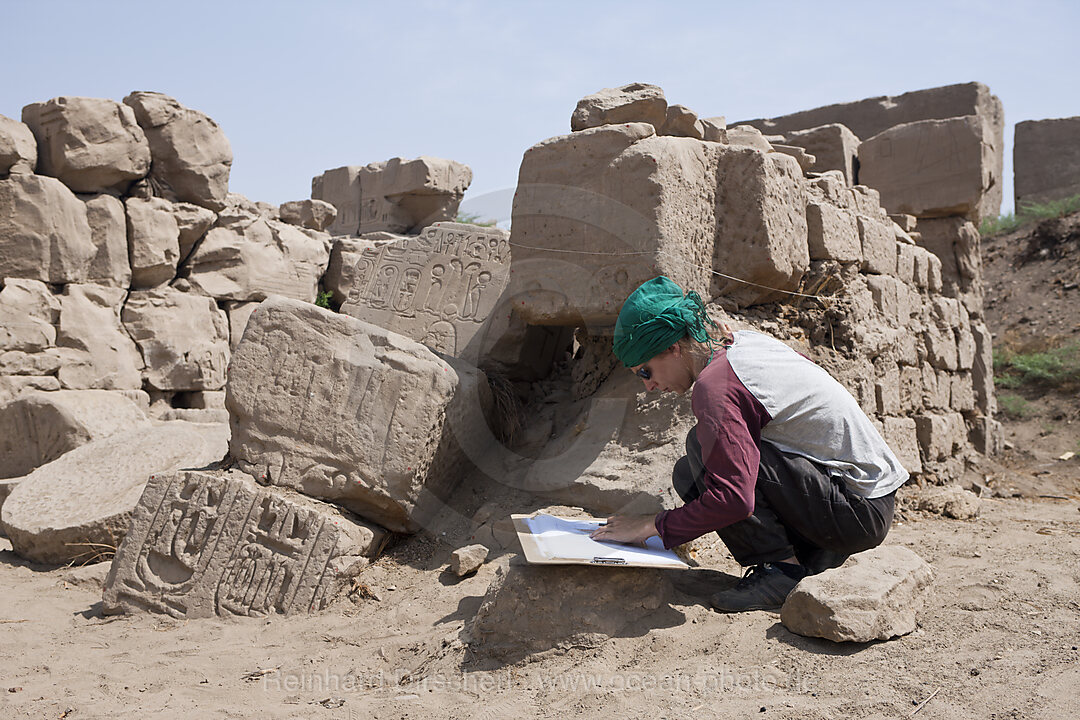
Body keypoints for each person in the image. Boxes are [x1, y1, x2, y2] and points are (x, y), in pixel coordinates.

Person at [590, 276, 908, 612]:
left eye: (645, 371)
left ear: (673, 348)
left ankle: (781, 571)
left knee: (702, 449)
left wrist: (650, 526)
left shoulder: (715, 387)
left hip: (857, 512)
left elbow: (734, 500)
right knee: (692, 469)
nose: (649, 387)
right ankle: (811, 556)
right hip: (864, 500)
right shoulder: (740, 344)